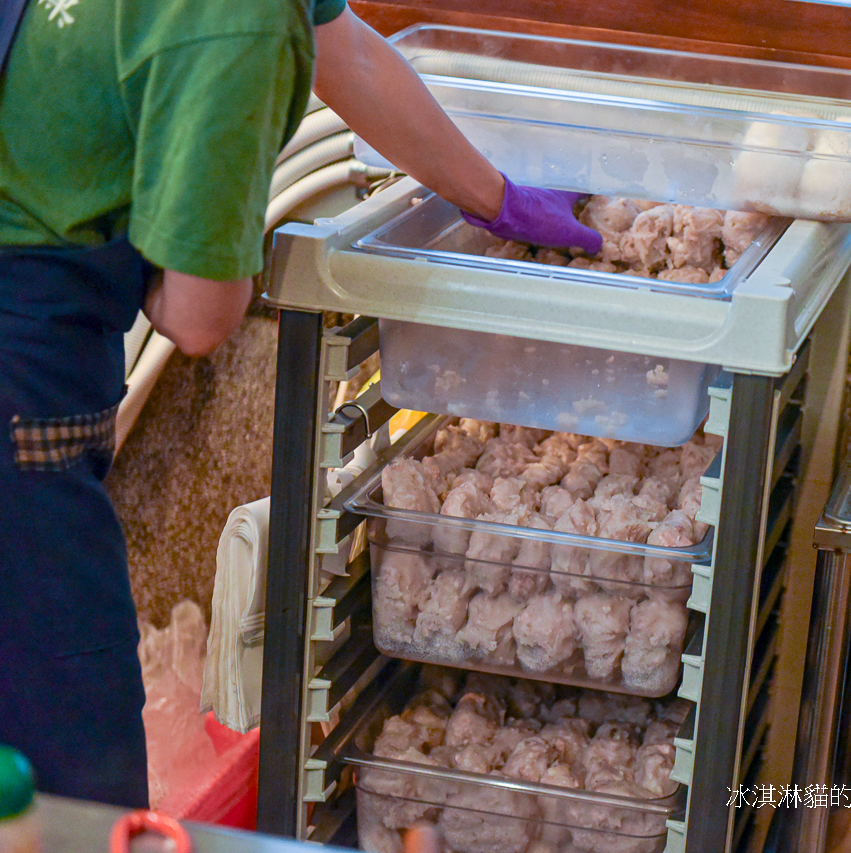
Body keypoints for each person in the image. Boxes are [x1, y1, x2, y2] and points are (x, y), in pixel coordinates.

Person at [0, 0, 601, 808]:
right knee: (71, 762)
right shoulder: (237, 22)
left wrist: (494, 196)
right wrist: (187, 237)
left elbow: (346, 52)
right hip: (19, 364)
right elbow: (201, 316)